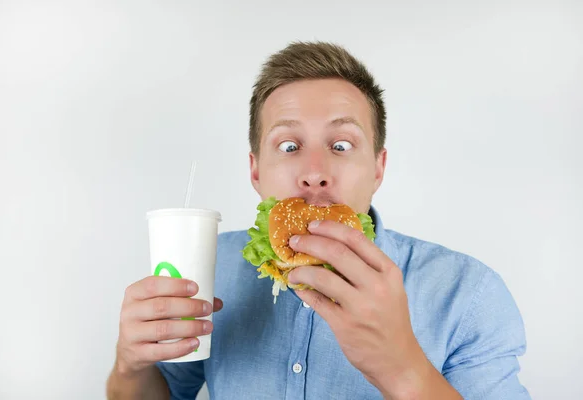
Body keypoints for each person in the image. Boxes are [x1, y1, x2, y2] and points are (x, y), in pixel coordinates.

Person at [106, 41, 530, 399]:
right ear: (255, 171)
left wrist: (404, 368)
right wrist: (129, 364)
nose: (314, 171)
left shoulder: (469, 295)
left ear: (378, 168)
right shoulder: (208, 264)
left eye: (341, 144)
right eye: (289, 146)